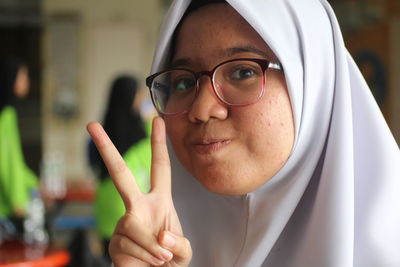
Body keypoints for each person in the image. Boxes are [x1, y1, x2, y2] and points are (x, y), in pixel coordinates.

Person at [87, 0, 400, 266]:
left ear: (313, 85)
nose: (201, 109)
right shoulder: (168, 244)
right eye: (183, 82)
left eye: (242, 71)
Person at [87, 75, 150, 263]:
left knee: (110, 257)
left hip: (105, 207)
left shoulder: (100, 132)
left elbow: (92, 165)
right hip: (133, 207)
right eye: (139, 94)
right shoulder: (143, 132)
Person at [0, 56, 38, 234]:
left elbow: (15, 162)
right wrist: (17, 200)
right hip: (5, 207)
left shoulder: (9, 112)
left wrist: (36, 185)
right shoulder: (4, 115)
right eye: (23, 76)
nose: (26, 82)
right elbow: (5, 163)